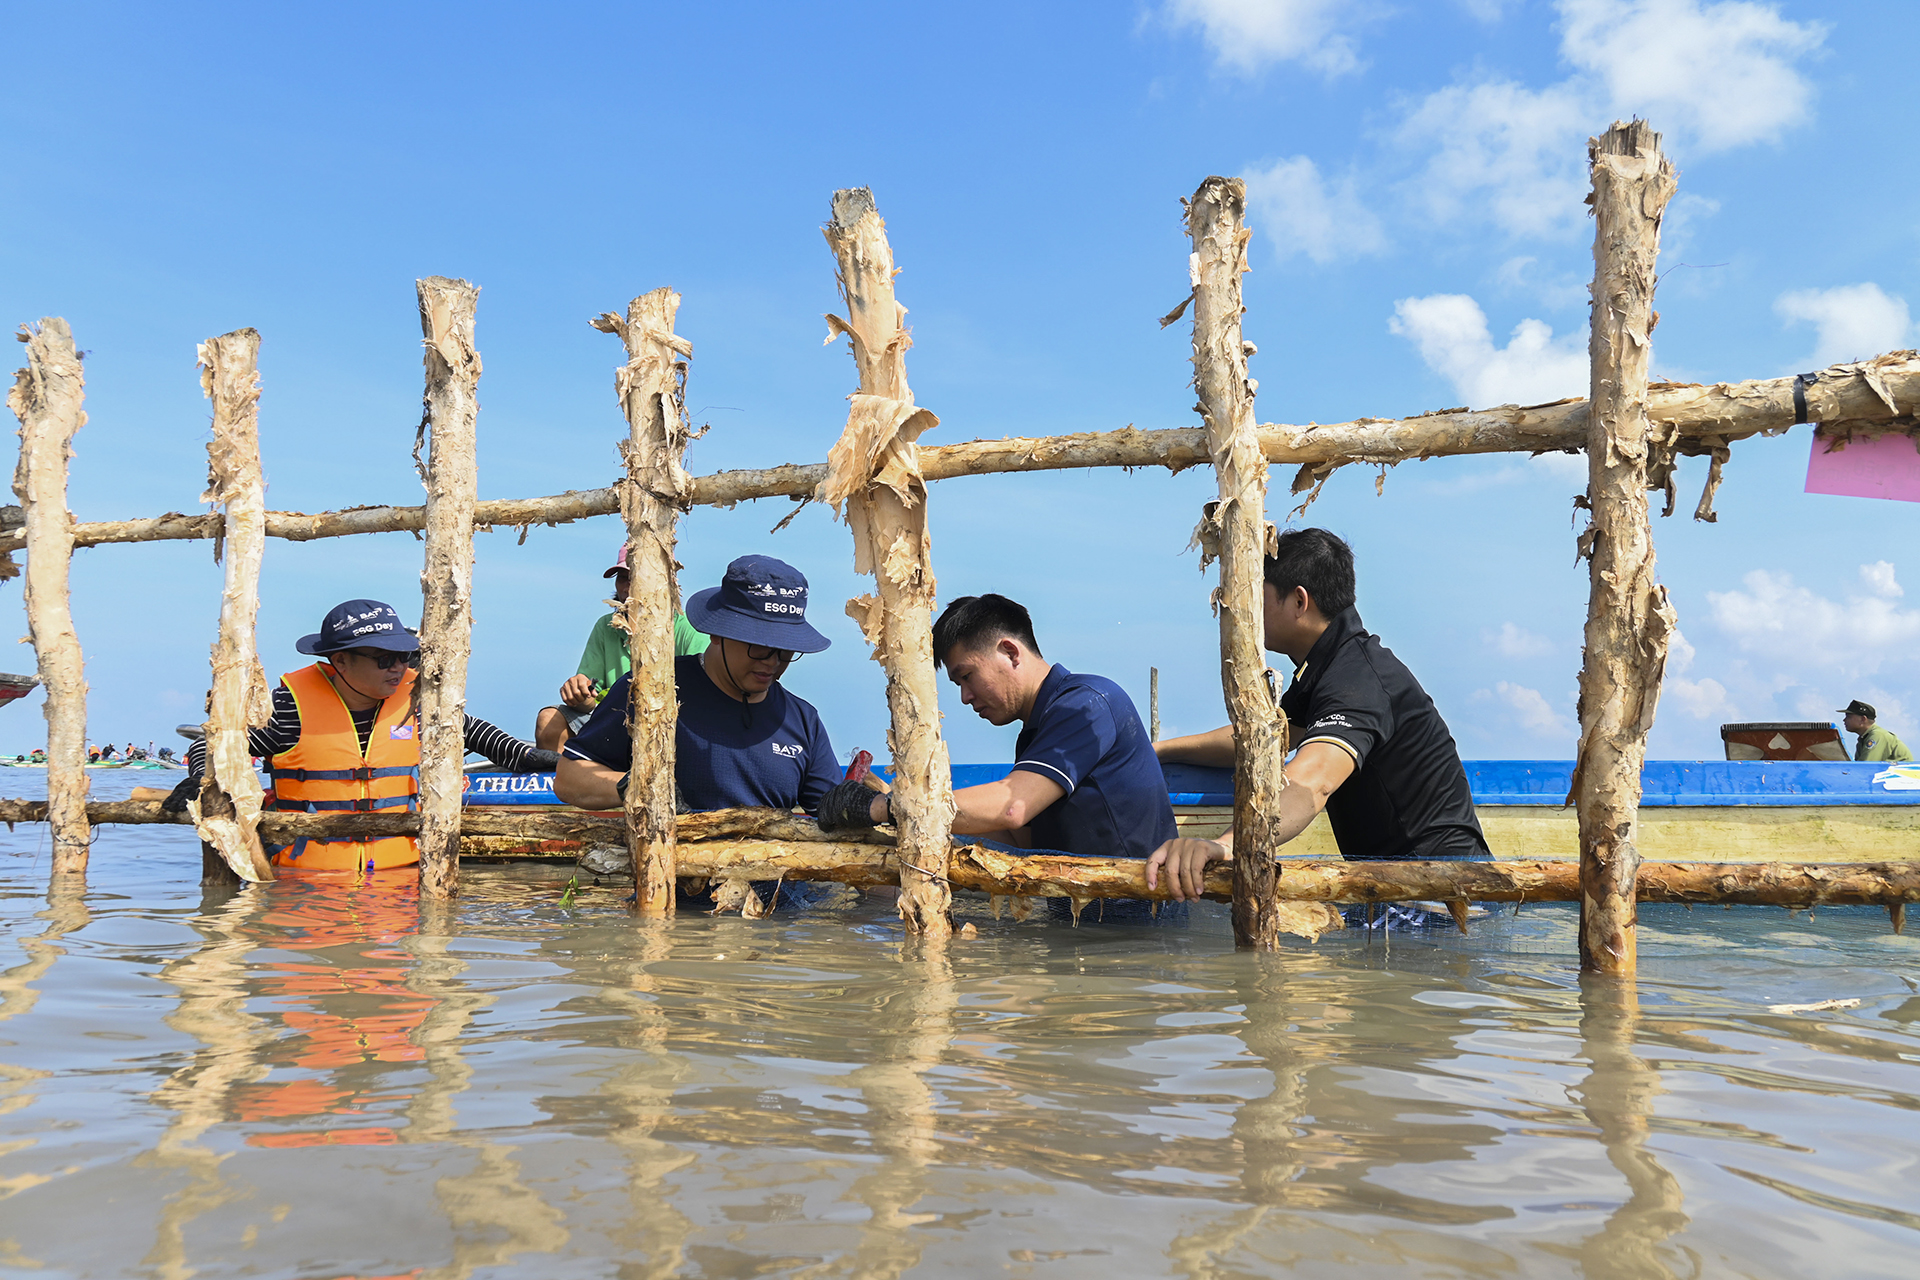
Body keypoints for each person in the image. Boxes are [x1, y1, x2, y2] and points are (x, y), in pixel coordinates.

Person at [1147, 528, 1489, 901]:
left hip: (1441, 897)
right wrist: (1160, 750)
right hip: (1407, 886)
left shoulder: (1356, 679)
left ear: (1298, 601)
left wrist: (1228, 846)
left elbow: (1313, 780)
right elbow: (1265, 739)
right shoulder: (1328, 666)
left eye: (1255, 598)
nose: (1245, 612)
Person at [168, 599, 557, 871]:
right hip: (308, 884)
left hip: (399, 877)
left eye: (404, 657)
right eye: (384, 659)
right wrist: (199, 778)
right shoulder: (292, 707)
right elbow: (213, 744)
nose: (398, 669)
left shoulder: (417, 700)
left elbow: (483, 738)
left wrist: (547, 761)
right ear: (340, 660)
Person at [822, 594, 1176, 866]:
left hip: (1135, 917)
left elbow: (1012, 807)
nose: (963, 697)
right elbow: (1019, 837)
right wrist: (902, 821)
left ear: (1009, 652)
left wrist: (884, 807)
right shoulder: (1036, 729)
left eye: (966, 676)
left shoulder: (1085, 705)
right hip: (1083, 920)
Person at [535, 544, 709, 752]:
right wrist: (579, 694)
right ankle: (573, 781)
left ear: (667, 581)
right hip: (612, 724)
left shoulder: (687, 628)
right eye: (623, 577)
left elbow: (700, 700)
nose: (628, 587)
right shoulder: (606, 627)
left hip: (671, 727)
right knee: (549, 721)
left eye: (638, 577)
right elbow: (592, 702)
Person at [1841, 699, 1913, 763]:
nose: (1844, 720)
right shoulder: (1864, 739)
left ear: (1863, 719)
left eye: (1848, 717)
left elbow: (1865, 768)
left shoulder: (1877, 736)